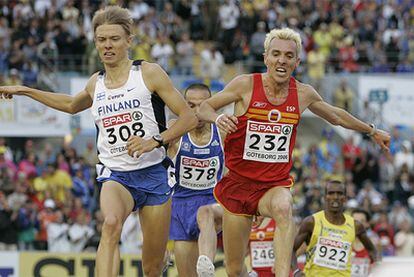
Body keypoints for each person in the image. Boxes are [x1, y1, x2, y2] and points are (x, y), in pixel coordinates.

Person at [0, 6, 197, 277]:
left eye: (114, 38)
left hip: (154, 174)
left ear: (129, 40)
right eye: (101, 39)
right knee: (111, 224)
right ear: (95, 42)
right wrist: (24, 90)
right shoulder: (96, 83)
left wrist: (156, 141)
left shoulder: (148, 73)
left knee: (152, 267)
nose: (107, 45)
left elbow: (188, 117)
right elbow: (70, 104)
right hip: (116, 174)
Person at [197, 27, 390, 277]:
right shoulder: (245, 85)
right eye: (276, 54)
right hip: (238, 184)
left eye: (289, 56)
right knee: (234, 269)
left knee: (284, 207)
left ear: (297, 62)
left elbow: (336, 116)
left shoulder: (303, 93)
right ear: (266, 57)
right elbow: (203, 108)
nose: (282, 60)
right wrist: (218, 118)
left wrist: (371, 130)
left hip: (272, 186)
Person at [168, 83, 225, 277]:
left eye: (203, 105)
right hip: (181, 207)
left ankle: (209, 264)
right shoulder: (174, 132)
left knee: (205, 213)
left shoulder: (223, 132)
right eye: (191, 105)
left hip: (213, 202)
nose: (197, 111)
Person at [291, 180, 378, 277]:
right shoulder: (311, 222)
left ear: (345, 198)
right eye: (331, 193)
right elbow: (291, 250)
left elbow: (372, 250)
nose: (335, 197)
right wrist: (296, 271)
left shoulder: (355, 226)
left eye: (339, 194)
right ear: (325, 197)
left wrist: (375, 268)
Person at [351, 208, 380, 277]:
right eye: (355, 221)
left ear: (367, 224)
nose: (357, 224)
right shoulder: (343, 242)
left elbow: (378, 269)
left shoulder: (375, 244)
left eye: (362, 221)